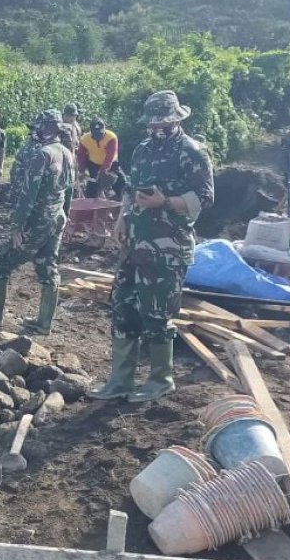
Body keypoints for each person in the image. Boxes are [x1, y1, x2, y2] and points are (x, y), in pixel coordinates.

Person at [90, 91, 214, 403]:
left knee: (157, 314)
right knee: (123, 307)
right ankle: (120, 380)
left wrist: (166, 202)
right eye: (153, 122)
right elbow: (132, 191)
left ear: (176, 119)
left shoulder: (192, 152)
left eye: (163, 121)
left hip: (168, 247)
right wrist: (121, 218)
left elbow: (205, 198)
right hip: (135, 243)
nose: (157, 127)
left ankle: (161, 379)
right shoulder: (143, 150)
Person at [0, 110, 74, 335]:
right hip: (56, 219)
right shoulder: (67, 152)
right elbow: (70, 191)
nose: (35, 132)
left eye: (37, 127)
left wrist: (17, 226)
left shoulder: (43, 154)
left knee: (1, 261)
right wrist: (66, 216)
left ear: (47, 128)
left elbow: (29, 194)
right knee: (48, 268)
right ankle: (44, 323)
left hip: (36, 222)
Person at [77, 117, 123, 199]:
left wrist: (104, 170)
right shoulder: (84, 139)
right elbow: (81, 155)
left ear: (104, 128)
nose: (98, 136)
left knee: (121, 184)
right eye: (95, 134)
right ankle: (91, 206)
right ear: (91, 131)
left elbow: (110, 155)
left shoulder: (111, 137)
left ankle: (123, 203)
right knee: (92, 189)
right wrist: (82, 170)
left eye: (100, 133)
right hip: (94, 164)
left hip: (111, 164)